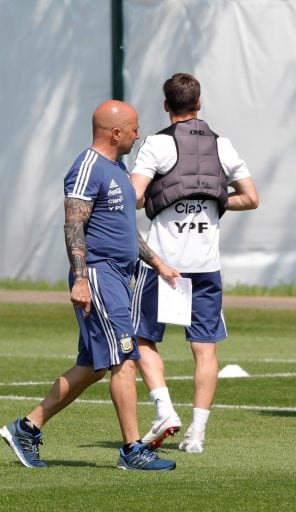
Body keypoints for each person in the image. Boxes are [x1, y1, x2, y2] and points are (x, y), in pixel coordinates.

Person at [0, 100, 177, 470]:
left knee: (93, 366)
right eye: (133, 128)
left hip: (116, 277)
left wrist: (158, 263)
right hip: (97, 275)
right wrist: (80, 278)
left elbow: (124, 231)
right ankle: (132, 450)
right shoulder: (87, 167)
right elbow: (73, 225)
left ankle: (26, 427)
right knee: (125, 358)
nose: (138, 133)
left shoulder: (118, 168)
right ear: (115, 133)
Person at [131, 73, 259, 453]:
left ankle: (165, 410)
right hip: (206, 264)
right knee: (205, 349)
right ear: (199, 104)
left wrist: (166, 198)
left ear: (166, 106)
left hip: (161, 263)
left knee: (142, 338)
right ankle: (197, 434)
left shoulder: (156, 143)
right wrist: (215, 202)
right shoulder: (223, 145)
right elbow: (251, 197)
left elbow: (136, 199)